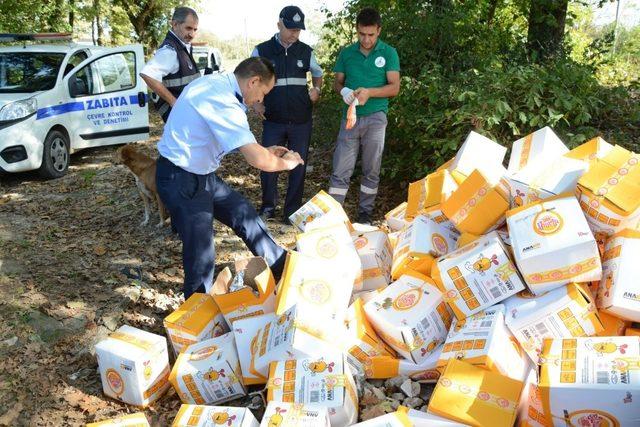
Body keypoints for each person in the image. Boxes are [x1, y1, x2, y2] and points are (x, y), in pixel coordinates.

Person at [155, 57, 304, 298]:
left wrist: (266, 151)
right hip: (181, 178)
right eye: (263, 92)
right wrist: (286, 163)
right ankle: (197, 313)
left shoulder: (216, 84)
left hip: (200, 174)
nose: (261, 100)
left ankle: (281, 265)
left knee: (243, 212)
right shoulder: (222, 101)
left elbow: (240, 144)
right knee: (201, 251)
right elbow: (257, 160)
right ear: (253, 81)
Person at [328, 7, 400, 224]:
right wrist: (344, 91)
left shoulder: (388, 53)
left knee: (371, 168)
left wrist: (370, 93)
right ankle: (333, 216)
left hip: (376, 117)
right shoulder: (347, 53)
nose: (366, 39)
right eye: (361, 34)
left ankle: (365, 215)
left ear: (379, 30)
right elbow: (336, 82)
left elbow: (394, 87)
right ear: (357, 30)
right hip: (349, 117)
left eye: (370, 34)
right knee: (341, 167)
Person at [251, 5, 323, 224]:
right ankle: (268, 207)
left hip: (301, 120)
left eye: (298, 30)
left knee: (298, 164)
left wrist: (316, 90)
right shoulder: (261, 50)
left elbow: (318, 74)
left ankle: (291, 210)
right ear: (279, 24)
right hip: (273, 120)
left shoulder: (306, 51)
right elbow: (250, 79)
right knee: (268, 162)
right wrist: (256, 103)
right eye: (290, 28)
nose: (294, 33)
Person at [140, 7, 201, 123]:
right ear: (175, 24)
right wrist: (174, 102)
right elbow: (147, 74)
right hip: (179, 118)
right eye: (188, 28)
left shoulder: (182, 47)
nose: (192, 34)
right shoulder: (170, 51)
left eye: (195, 29)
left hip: (186, 116)